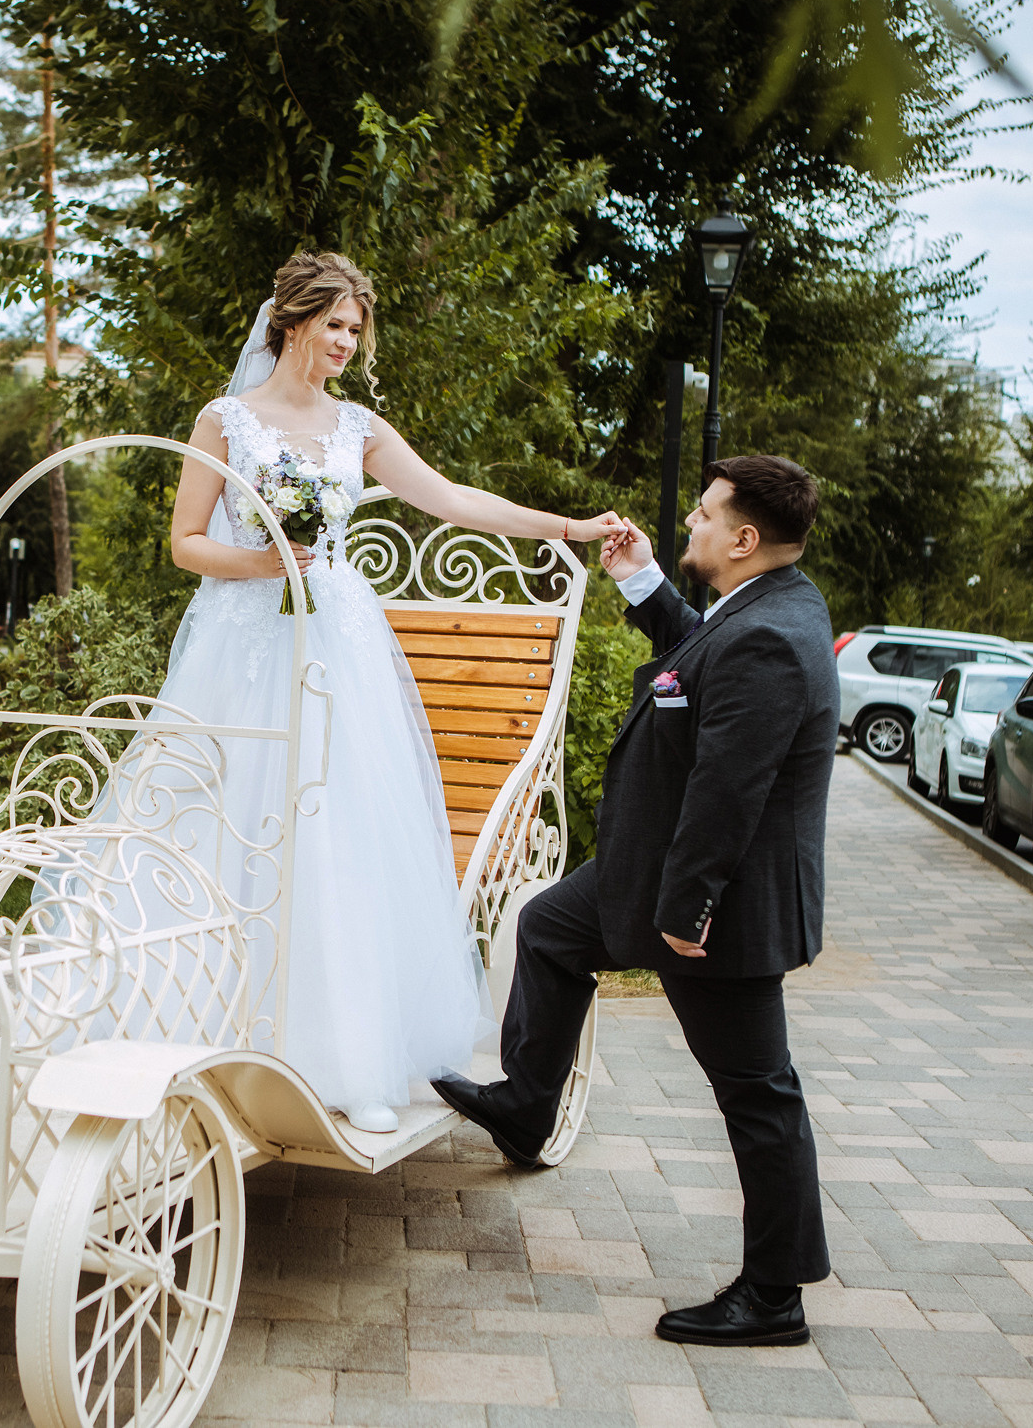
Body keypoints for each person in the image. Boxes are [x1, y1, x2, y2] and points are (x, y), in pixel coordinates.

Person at [134, 251, 622, 1135]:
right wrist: (264, 561)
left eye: (356, 330)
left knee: (333, 838)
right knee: (225, 826)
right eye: (335, 327)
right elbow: (185, 542)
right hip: (241, 649)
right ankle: (202, 1037)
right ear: (290, 323)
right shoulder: (225, 420)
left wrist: (567, 526)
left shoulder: (358, 427)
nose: (348, 345)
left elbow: (452, 500)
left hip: (335, 647)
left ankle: (343, 1056)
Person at [434, 454, 838, 1347]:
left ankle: (775, 1296)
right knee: (547, 928)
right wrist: (641, 581)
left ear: (742, 537)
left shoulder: (772, 636)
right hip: (651, 870)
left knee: (758, 1093)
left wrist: (686, 909)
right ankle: (527, 1104)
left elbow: (730, 789)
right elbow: (699, 653)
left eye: (702, 515)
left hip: (716, 908)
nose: (688, 523)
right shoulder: (761, 608)